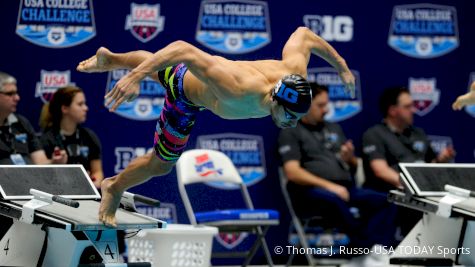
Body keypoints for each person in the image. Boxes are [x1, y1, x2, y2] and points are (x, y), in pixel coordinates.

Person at [77, 26, 356, 227]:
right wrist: (135, 77)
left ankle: (111, 59)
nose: (293, 123)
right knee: (162, 163)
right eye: (290, 116)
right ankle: (113, 187)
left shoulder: (295, 74)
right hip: (185, 95)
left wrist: (341, 66)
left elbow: (303, 35)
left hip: (206, 93)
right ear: (274, 98)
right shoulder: (238, 87)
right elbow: (181, 49)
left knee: (158, 69)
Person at [278, 83, 396, 251]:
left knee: (386, 201)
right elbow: (292, 172)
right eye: (321, 105)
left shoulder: (334, 128)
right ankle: (364, 249)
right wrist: (330, 186)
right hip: (310, 192)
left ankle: (374, 249)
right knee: (333, 200)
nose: (326, 110)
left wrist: (350, 159)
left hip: (344, 188)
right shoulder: (290, 131)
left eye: (326, 104)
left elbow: (353, 166)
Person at [362, 86, 455, 236]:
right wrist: (411, 185)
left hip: (423, 191)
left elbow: (430, 166)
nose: (413, 109)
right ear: (393, 110)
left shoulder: (418, 133)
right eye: (407, 106)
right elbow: (380, 170)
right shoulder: (374, 134)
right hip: (393, 191)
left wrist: (441, 160)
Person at [39, 86, 104, 189]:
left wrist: (91, 185)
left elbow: (97, 172)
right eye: (80, 104)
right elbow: (40, 176)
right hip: (57, 193)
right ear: (65, 108)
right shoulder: (46, 139)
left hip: (87, 194)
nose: (86, 108)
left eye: (84, 104)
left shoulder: (89, 136)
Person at [0, 71, 67, 165]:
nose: (17, 98)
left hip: (28, 178)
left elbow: (40, 163)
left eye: (16, 93)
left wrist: (54, 162)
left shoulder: (22, 123)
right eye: (10, 94)